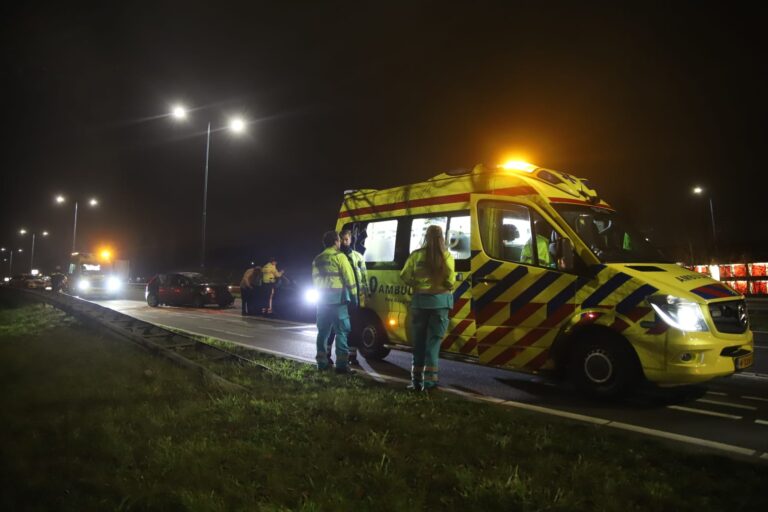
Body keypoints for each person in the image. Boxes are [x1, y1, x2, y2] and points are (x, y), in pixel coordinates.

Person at [400, 225, 455, 391]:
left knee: (418, 344)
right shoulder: (446, 256)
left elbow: (404, 275)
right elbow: (451, 281)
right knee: (433, 344)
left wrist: (417, 285)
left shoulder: (416, 255)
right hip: (440, 304)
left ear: (426, 236)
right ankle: (430, 382)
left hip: (419, 303)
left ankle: (416, 382)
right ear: (441, 238)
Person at [312, 230, 357, 374]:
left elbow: (315, 281)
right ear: (336, 242)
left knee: (323, 333)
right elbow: (349, 278)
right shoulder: (340, 257)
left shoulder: (317, 259)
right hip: (338, 301)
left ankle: (321, 363)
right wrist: (354, 296)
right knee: (342, 332)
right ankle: (342, 365)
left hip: (322, 302)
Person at [326, 228, 369, 365]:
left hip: (354, 298)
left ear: (350, 240)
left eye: (347, 239)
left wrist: (366, 292)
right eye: (342, 239)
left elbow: (364, 276)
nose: (345, 242)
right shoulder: (334, 257)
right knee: (334, 326)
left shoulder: (357, 257)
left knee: (353, 327)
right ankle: (327, 354)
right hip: (338, 297)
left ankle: (352, 356)